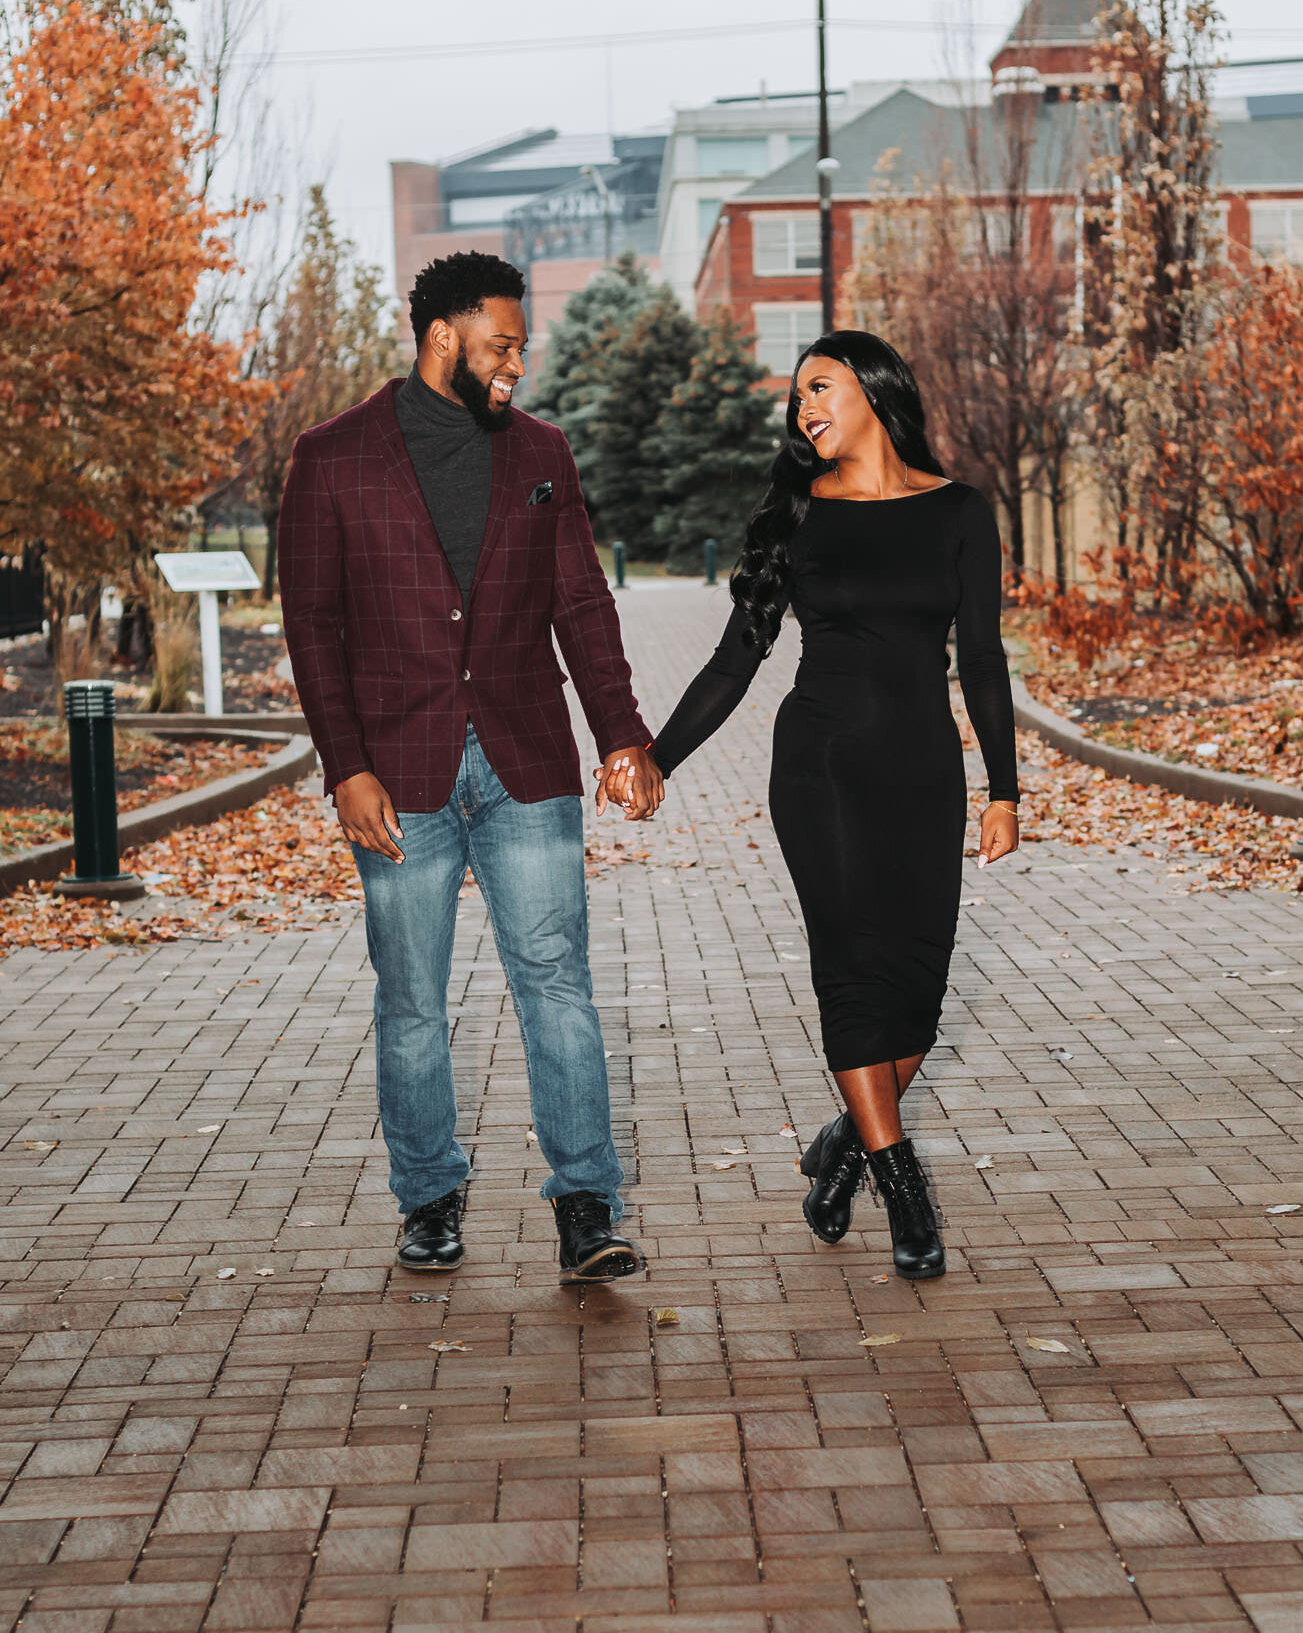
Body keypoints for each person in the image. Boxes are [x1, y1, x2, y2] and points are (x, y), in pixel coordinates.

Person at [277, 251, 663, 1281]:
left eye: (521, 347)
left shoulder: (540, 450)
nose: (515, 367)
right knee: (410, 998)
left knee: (558, 984)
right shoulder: (333, 456)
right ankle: (430, 1198)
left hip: (524, 756)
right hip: (396, 769)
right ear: (441, 336)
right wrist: (344, 765)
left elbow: (581, 600)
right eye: (501, 345)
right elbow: (311, 625)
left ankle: (587, 1204)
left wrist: (622, 733)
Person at [612, 331, 1019, 1280]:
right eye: (795, 399)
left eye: (818, 389)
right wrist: (657, 756)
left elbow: (986, 661)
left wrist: (1004, 789)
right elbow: (734, 657)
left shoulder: (960, 511)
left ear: (875, 392)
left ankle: (841, 1147)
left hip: (924, 769)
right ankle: (902, 1185)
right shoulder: (796, 515)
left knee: (915, 990)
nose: (802, 410)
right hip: (821, 768)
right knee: (850, 969)